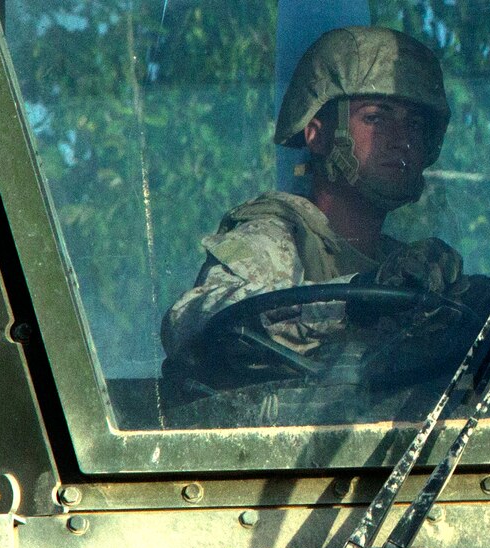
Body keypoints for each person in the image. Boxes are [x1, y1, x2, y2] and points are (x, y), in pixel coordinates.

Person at [160, 26, 466, 404]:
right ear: (318, 135)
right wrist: (354, 302)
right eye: (375, 118)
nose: (400, 137)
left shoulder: (403, 268)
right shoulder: (277, 237)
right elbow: (192, 321)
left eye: (414, 124)